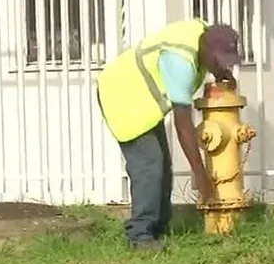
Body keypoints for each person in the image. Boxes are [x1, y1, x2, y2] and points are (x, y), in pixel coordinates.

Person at [96, 18, 241, 251]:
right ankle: (140, 236)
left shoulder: (203, 36)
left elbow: (208, 57)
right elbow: (183, 127)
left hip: (142, 99)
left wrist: (219, 72)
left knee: (161, 165)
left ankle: (158, 231)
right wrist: (200, 176)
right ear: (206, 49)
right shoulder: (180, 61)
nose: (224, 66)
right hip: (122, 96)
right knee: (149, 164)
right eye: (220, 61)